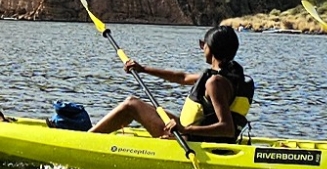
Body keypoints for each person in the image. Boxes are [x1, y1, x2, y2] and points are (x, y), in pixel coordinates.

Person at [90, 25, 254, 143]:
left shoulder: (215, 83)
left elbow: (227, 128)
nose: (202, 48)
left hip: (187, 140)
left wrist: (184, 130)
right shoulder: (227, 75)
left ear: (211, 49)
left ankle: (85, 140)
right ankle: (94, 136)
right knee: (137, 106)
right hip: (192, 134)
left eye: (203, 45)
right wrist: (143, 69)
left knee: (131, 104)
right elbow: (182, 78)